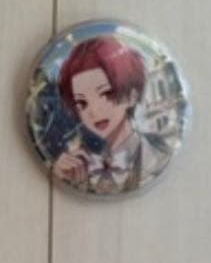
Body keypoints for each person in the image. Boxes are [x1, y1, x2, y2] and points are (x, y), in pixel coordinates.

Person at [52, 37, 169, 194]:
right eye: (82, 103)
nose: (94, 111)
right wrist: (61, 176)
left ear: (132, 96)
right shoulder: (79, 165)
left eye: (106, 94)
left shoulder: (159, 157)